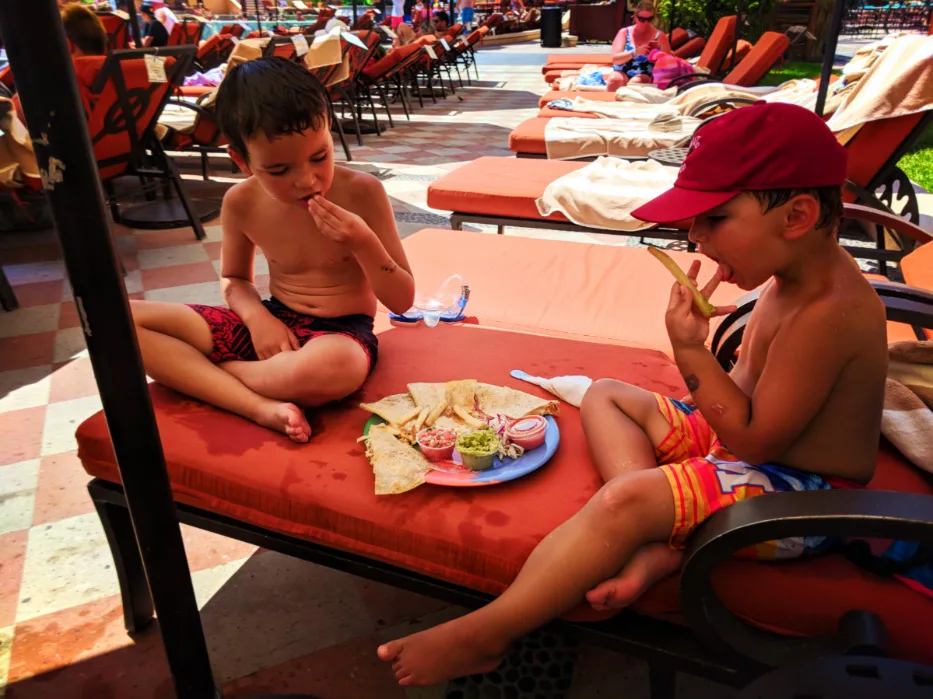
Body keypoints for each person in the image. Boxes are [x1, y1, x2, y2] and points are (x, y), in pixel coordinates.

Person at [377, 102, 889, 686]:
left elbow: (756, 438)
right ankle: (656, 527)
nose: (694, 236)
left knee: (626, 505)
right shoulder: (791, 278)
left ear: (796, 216)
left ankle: (487, 633)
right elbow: (739, 408)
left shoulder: (830, 313)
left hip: (803, 497)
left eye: (714, 219)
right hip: (748, 447)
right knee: (607, 395)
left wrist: (692, 354)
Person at [129, 57, 415, 443]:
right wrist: (257, 319)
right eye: (278, 171)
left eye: (320, 157)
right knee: (121, 319)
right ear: (242, 161)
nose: (306, 180)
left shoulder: (363, 192)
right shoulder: (240, 202)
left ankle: (212, 377)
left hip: (339, 335)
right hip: (269, 323)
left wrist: (363, 242)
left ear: (330, 132)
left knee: (338, 367)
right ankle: (260, 406)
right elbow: (234, 279)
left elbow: (402, 300)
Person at [606, 1, 672, 91]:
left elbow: (668, 63)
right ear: (635, 17)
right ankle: (613, 104)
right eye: (642, 19)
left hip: (646, 73)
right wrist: (635, 52)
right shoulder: (625, 33)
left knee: (636, 82)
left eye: (649, 19)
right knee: (614, 80)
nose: (645, 22)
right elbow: (615, 59)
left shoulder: (659, 36)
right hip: (623, 70)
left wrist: (656, 55)